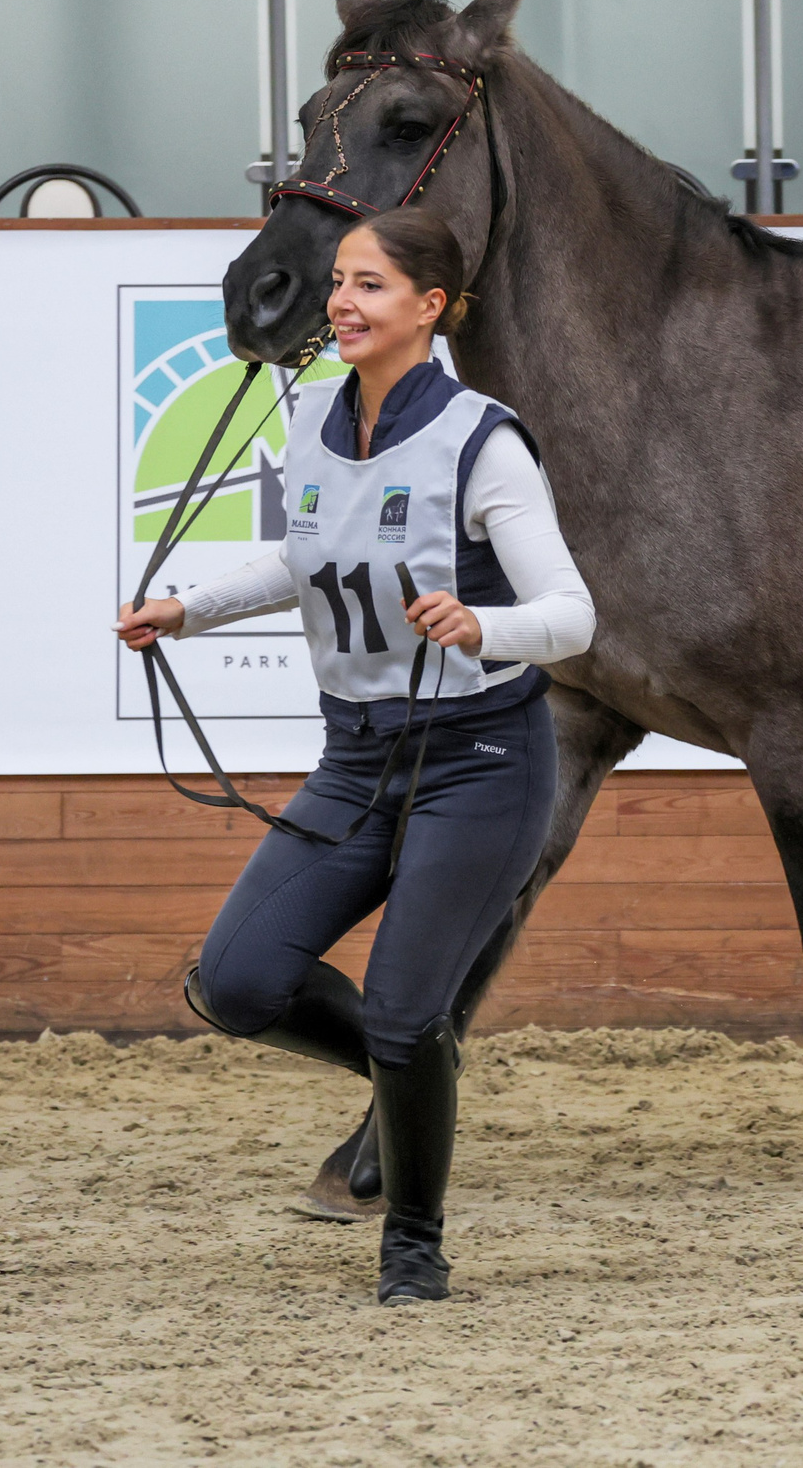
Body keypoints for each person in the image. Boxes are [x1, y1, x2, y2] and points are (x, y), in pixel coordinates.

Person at [115, 206, 594, 1304]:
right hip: (354, 758)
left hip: (479, 758)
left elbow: (570, 616)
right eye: (339, 282)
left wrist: (487, 628)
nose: (341, 302)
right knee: (235, 985)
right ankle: (413, 1062)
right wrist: (188, 611)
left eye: (369, 285)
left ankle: (413, 1244)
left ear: (431, 307)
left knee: (402, 1005)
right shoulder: (317, 420)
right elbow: (301, 560)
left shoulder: (485, 441)